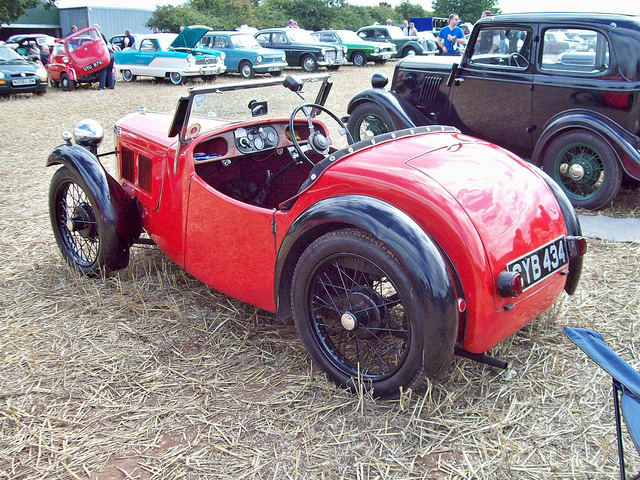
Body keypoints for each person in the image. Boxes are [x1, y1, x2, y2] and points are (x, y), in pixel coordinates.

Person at [94, 24, 115, 90]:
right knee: (109, 70)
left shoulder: (95, 37)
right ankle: (111, 85)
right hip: (111, 53)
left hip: (104, 55)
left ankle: (101, 86)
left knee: (102, 71)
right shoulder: (102, 35)